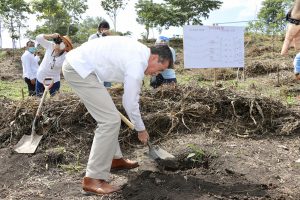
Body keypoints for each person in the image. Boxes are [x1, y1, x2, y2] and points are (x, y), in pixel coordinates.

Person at [62, 36, 173, 195]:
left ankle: (115, 159)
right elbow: (129, 103)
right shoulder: (137, 63)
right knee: (109, 121)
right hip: (79, 69)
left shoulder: (139, 52)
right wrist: (141, 129)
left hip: (84, 68)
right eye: (160, 69)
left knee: (111, 116)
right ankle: (93, 179)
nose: (156, 74)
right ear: (155, 57)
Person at [88, 20, 112, 88]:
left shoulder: (109, 38)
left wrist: (108, 37)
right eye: (103, 28)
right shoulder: (93, 37)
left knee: (107, 84)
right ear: (99, 28)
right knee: (97, 84)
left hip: (106, 63)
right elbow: (89, 50)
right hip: (95, 63)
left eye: (106, 28)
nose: (104, 29)